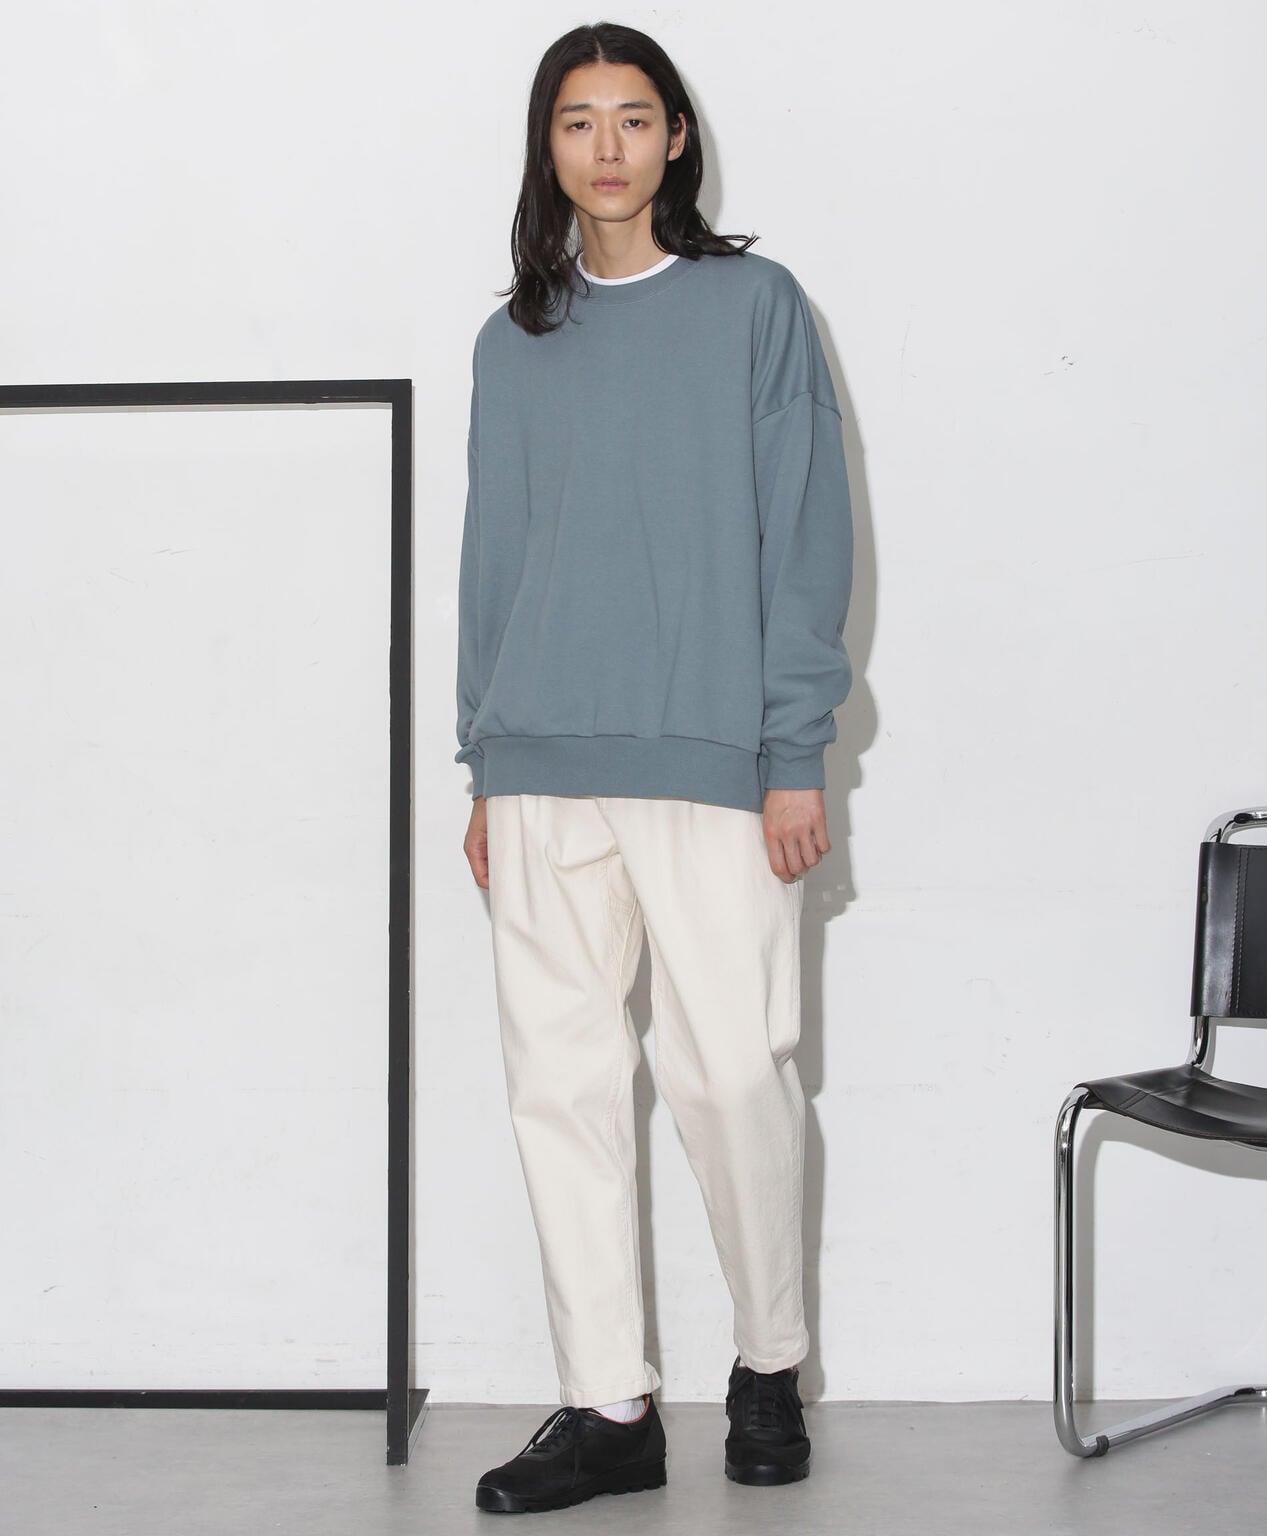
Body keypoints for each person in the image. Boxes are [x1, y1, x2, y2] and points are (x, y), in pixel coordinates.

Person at [454, 20, 854, 1516]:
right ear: (548, 147)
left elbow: (806, 537)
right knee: (559, 1087)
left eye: (634, 117)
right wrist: (485, 759)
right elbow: (493, 559)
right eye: (578, 121)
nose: (607, 147)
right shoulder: (513, 341)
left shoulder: (757, 308)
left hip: (711, 759)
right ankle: (609, 1405)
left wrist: (794, 750)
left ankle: (768, 1364)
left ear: (677, 138)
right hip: (541, 763)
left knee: (733, 1073)